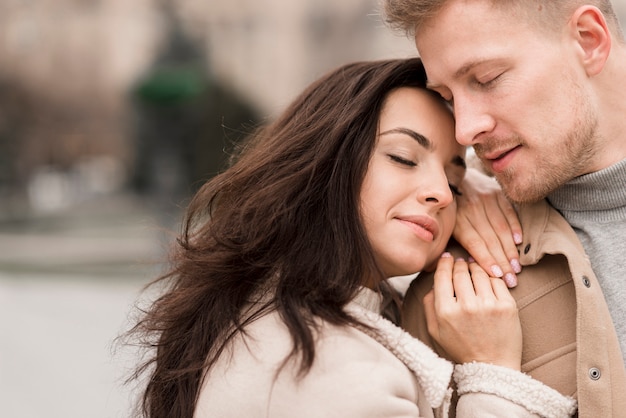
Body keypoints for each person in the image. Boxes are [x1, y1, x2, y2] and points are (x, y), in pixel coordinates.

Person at [125, 58, 576, 418]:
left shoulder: (270, 309)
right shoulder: (332, 372)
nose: (440, 194)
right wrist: (494, 372)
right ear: (326, 163)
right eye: (403, 157)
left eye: (453, 182)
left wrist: (477, 187)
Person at [382, 0, 626, 416]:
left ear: (588, 40)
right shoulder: (452, 287)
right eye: (446, 97)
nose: (465, 128)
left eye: (486, 79)